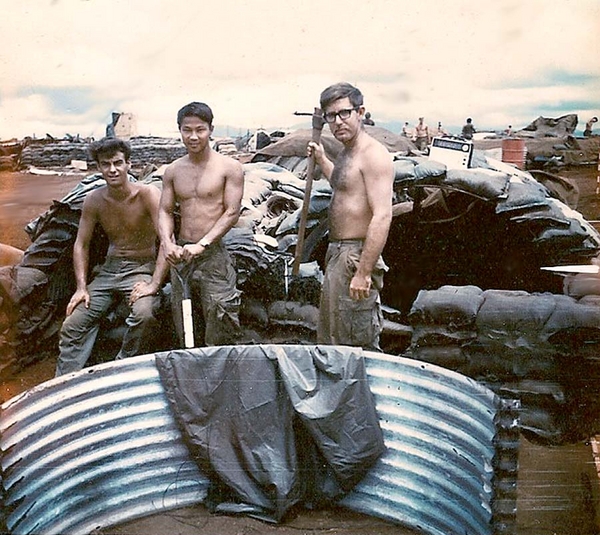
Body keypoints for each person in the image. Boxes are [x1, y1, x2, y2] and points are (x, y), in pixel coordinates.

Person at [56, 137, 167, 376]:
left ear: (129, 164)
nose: (113, 169)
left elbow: (167, 243)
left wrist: (154, 284)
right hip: (109, 271)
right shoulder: (94, 199)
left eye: (118, 163)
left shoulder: (147, 194)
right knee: (72, 325)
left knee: (144, 314)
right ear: (98, 167)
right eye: (106, 164)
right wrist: (81, 287)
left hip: (141, 268)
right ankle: (66, 382)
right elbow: (81, 244)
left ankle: (120, 370)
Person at [307, 82, 394, 351]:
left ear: (361, 112)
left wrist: (363, 272)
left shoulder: (373, 155)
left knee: (355, 343)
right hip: (338, 254)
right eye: (331, 116)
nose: (337, 122)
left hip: (355, 255)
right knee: (334, 339)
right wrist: (322, 159)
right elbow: (343, 185)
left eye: (344, 113)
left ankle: (358, 394)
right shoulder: (347, 152)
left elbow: (382, 216)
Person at [158, 102, 244, 347]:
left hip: (212, 254)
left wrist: (203, 244)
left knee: (221, 316)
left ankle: (222, 377)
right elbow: (164, 210)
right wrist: (167, 243)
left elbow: (232, 211)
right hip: (181, 255)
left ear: (211, 129)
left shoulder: (229, 168)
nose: (193, 136)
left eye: (200, 129)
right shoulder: (173, 171)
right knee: (184, 323)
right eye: (187, 130)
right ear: (180, 130)